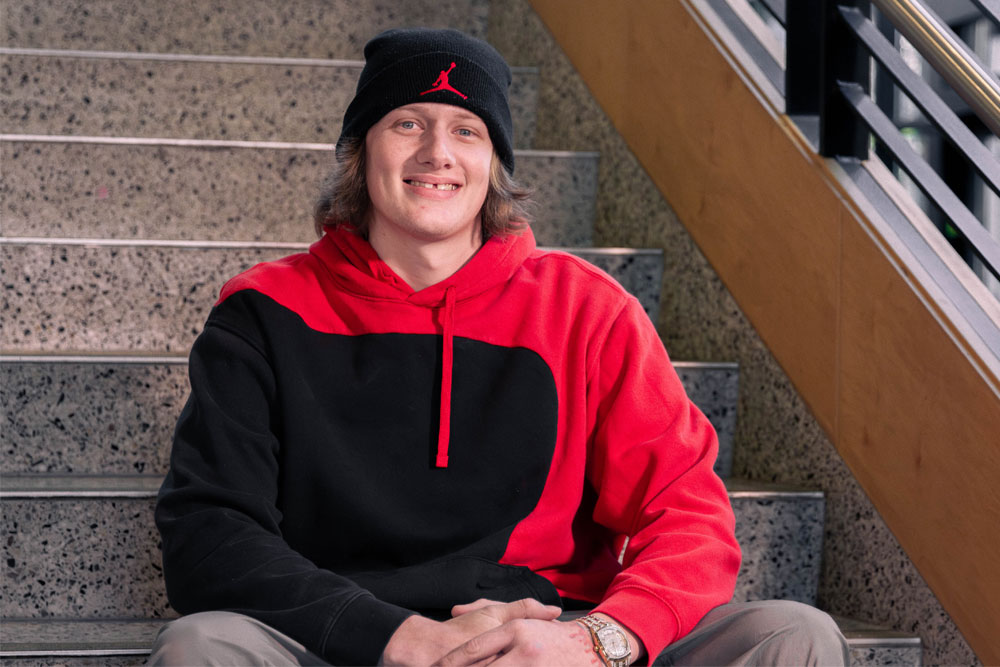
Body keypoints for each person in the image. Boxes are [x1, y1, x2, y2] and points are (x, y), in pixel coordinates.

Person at [151, 27, 849, 666]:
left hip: (552, 638)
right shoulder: (264, 312)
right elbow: (210, 531)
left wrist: (594, 640)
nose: (437, 153)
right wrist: (399, 635)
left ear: (494, 164)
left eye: (467, 129)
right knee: (201, 646)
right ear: (361, 150)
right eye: (406, 123)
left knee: (795, 634)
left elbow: (689, 512)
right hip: (354, 641)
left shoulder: (589, 310)